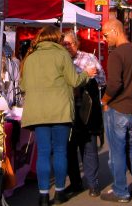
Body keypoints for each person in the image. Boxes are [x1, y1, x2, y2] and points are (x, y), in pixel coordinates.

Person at [21, 26, 96, 206]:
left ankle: (43, 195)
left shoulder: (30, 58)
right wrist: (87, 74)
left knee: (43, 153)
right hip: (60, 110)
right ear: (55, 38)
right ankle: (60, 192)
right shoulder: (62, 55)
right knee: (60, 151)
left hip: (38, 111)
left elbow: (23, 86)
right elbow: (74, 81)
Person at [99, 19, 132, 202]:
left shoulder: (116, 54)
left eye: (106, 35)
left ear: (115, 31)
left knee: (117, 151)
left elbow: (114, 84)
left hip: (118, 108)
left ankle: (120, 190)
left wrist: (104, 100)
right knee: (131, 148)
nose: (105, 39)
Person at [62, 31, 105, 197]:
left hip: (86, 109)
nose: (67, 47)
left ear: (77, 43)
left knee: (89, 147)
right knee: (69, 149)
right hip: (67, 110)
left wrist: (88, 78)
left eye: (70, 43)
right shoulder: (60, 60)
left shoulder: (88, 58)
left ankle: (93, 184)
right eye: (64, 44)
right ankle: (75, 183)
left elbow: (102, 80)